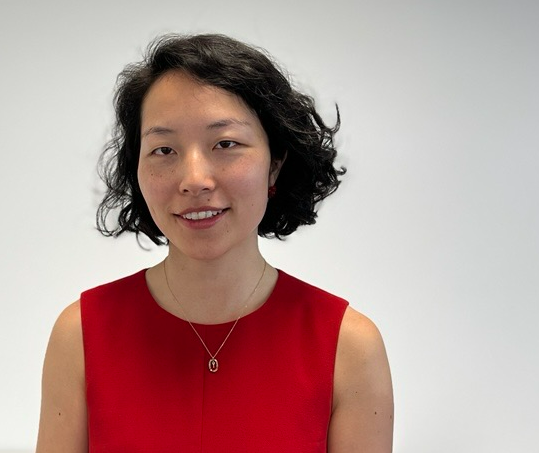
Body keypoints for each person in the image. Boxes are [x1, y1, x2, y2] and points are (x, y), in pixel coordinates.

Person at [36, 33, 393, 452]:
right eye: (164, 149)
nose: (194, 180)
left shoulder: (348, 347)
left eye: (225, 144)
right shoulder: (80, 336)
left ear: (275, 162)